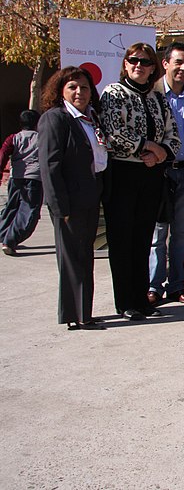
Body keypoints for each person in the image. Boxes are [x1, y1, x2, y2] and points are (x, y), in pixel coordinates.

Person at [100, 43, 180, 321]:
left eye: (145, 62)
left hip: (152, 174)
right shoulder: (113, 93)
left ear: (153, 68)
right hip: (123, 174)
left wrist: (160, 155)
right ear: (125, 64)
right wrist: (148, 147)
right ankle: (126, 301)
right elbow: (112, 132)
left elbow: (174, 137)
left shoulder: (159, 99)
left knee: (143, 238)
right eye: (133, 60)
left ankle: (142, 298)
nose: (139, 65)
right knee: (122, 240)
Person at [38, 67, 108, 330]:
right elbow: (50, 165)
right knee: (72, 260)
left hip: (91, 197)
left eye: (85, 87)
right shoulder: (55, 119)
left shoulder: (91, 118)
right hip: (70, 203)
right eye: (73, 87)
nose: (80, 92)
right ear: (61, 91)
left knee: (84, 257)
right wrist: (59, 207)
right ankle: (76, 316)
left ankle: (82, 311)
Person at [148, 42, 184, 306]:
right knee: (158, 234)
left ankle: (176, 285)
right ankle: (153, 286)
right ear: (165, 64)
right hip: (159, 174)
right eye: (178, 62)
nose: (183, 68)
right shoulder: (150, 94)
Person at [0, 110, 42, 255]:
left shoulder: (14, 138)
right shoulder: (42, 138)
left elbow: (3, 155)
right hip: (34, 179)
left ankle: (3, 233)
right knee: (28, 212)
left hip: (15, 178)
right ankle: (10, 240)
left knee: (12, 207)